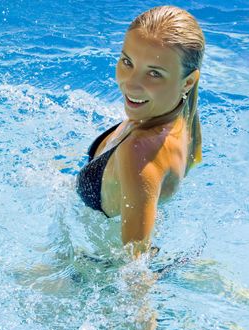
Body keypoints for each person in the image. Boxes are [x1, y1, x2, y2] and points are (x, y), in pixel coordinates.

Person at [76, 6, 205, 256]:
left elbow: (134, 269)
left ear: (187, 82)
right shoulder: (177, 117)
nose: (131, 83)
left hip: (93, 271)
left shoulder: (140, 150)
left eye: (154, 73)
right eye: (127, 62)